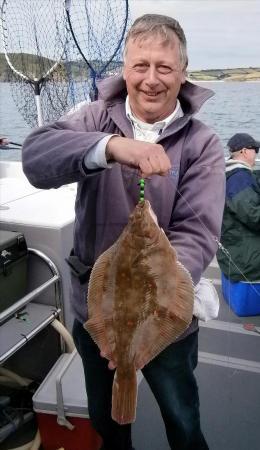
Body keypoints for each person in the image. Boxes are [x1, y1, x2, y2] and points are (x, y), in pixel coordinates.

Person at [22, 14, 225, 450]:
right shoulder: (92, 117)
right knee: (107, 422)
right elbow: (36, 157)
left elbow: (198, 233)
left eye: (165, 67)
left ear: (183, 73)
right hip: (98, 317)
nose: (151, 79)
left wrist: (156, 296)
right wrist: (110, 147)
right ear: (124, 69)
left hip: (168, 323)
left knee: (183, 418)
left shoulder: (202, 143)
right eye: (140, 65)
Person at [217, 132, 260, 282]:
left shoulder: (227, 173)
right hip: (246, 261)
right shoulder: (240, 179)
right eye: (256, 150)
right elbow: (254, 216)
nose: (256, 154)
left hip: (231, 249)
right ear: (245, 151)